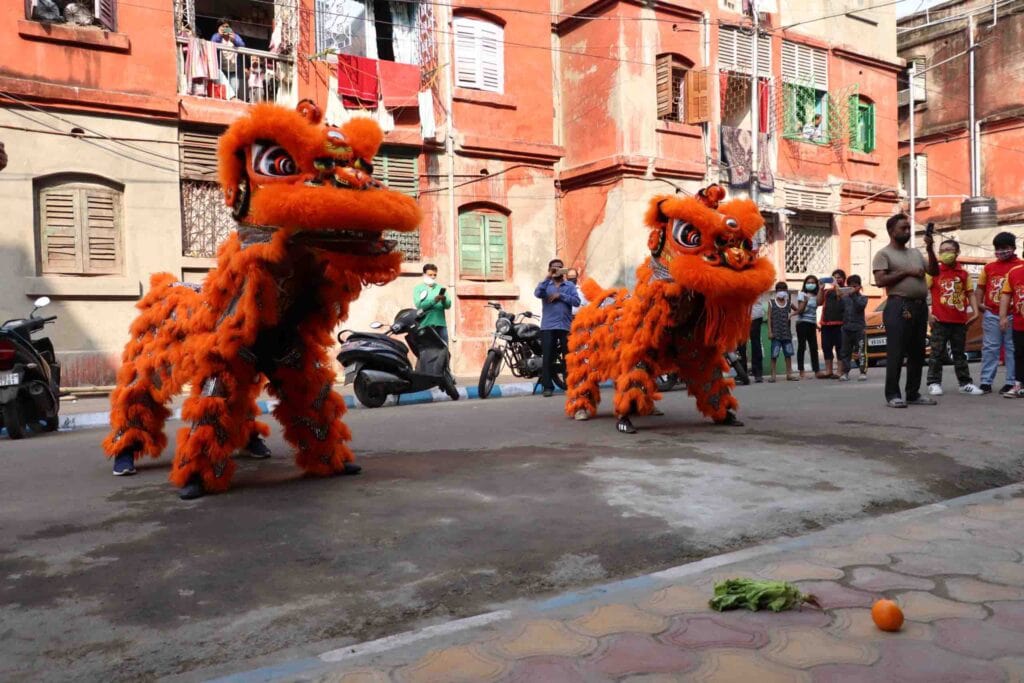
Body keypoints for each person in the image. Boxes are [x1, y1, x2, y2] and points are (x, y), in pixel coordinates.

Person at [872, 213, 936, 408]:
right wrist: (907, 272)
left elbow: (935, 271)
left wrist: (930, 248)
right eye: (903, 228)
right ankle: (893, 394)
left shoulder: (916, 253)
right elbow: (880, 281)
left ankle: (913, 393)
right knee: (897, 351)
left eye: (908, 228)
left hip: (919, 306)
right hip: (898, 306)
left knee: (917, 352)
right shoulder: (883, 254)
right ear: (891, 231)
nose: (907, 231)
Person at [925, 239, 983, 396]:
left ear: (957, 252)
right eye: (942, 250)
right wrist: (928, 314)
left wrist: (976, 312)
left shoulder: (963, 274)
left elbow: (970, 293)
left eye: (949, 250)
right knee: (936, 353)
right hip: (940, 321)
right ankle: (934, 382)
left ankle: (965, 383)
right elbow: (921, 293)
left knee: (959, 354)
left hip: (959, 321)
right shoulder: (934, 272)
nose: (945, 253)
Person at [976, 231, 1021, 394]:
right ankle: (986, 382)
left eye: (1004, 248)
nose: (1001, 251)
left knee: (1011, 348)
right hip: (992, 313)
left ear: (1013, 248)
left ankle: (1011, 382)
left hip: (1013, 314)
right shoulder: (989, 268)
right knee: (990, 348)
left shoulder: (1020, 266)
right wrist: (979, 304)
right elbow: (980, 288)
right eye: (997, 248)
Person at [534, 258, 580, 397]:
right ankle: (547, 387)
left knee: (567, 357)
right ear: (550, 269)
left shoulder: (570, 286)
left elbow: (577, 302)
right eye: (554, 267)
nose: (557, 269)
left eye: (559, 267)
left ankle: (569, 385)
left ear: (563, 270)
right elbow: (537, 293)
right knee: (548, 357)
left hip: (565, 326)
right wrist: (548, 277)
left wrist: (561, 296)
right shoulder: (545, 285)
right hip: (548, 326)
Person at [998, 260, 1024, 397]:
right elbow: (1006, 294)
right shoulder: (1014, 272)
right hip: (1020, 323)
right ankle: (1019, 385)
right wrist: (1002, 317)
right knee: (1019, 354)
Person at [837, 275, 868, 382]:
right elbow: (839, 309)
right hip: (846, 328)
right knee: (845, 351)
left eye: (855, 286)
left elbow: (860, 306)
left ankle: (863, 372)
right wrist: (839, 296)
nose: (853, 288)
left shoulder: (863, 298)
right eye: (850, 286)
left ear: (859, 286)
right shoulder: (844, 299)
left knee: (861, 351)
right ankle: (845, 372)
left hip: (859, 328)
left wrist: (854, 294)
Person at [793, 274, 824, 379]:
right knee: (802, 347)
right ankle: (801, 371)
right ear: (805, 284)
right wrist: (805, 302)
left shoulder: (816, 295)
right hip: (802, 323)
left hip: (811, 323)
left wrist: (821, 289)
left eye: (813, 283)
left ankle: (817, 371)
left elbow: (819, 303)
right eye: (808, 283)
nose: (810, 284)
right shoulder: (802, 294)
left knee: (814, 347)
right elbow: (801, 311)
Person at [412, 263, 452, 344]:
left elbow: (448, 305)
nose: (433, 277)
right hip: (425, 325)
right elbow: (419, 305)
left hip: (440, 324)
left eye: (435, 275)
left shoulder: (440, 288)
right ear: (424, 275)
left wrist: (444, 300)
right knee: (427, 350)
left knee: (444, 350)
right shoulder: (418, 288)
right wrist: (434, 301)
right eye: (430, 275)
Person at [818, 269, 846, 378]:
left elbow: (842, 298)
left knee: (840, 348)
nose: (837, 279)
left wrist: (836, 285)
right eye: (834, 277)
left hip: (840, 323)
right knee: (826, 347)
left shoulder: (847, 290)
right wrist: (821, 289)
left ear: (844, 279)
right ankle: (828, 371)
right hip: (826, 323)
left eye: (839, 277)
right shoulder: (828, 292)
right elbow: (818, 302)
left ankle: (839, 371)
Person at [767, 282, 797, 383]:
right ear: (776, 291)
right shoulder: (771, 302)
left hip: (786, 334)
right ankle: (773, 375)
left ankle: (789, 374)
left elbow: (798, 310)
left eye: (783, 290)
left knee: (788, 354)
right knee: (774, 355)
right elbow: (769, 318)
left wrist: (792, 314)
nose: (781, 292)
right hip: (776, 334)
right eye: (779, 290)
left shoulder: (788, 303)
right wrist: (770, 331)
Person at [737, 291, 768, 383]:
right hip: (741, 315)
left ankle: (757, 373)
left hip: (755, 314)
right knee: (741, 345)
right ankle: (742, 372)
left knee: (755, 343)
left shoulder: (757, 279)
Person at [211, 18, 245, 100]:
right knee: (223, 89)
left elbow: (242, 45)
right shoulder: (216, 36)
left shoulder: (235, 36)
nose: (225, 29)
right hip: (221, 69)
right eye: (223, 27)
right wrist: (220, 35)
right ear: (219, 28)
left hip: (234, 70)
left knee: (234, 88)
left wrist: (234, 40)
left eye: (227, 27)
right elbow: (212, 43)